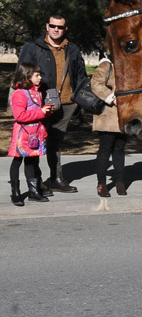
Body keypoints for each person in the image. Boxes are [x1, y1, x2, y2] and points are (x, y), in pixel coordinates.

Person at [17, 14, 90, 193]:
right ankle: (36, 183)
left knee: (55, 143)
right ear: (47, 26)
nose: (56, 29)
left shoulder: (72, 49)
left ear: (66, 29)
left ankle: (56, 179)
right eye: (53, 26)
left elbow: (80, 75)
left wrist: (79, 99)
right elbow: (22, 74)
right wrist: (28, 99)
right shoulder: (33, 47)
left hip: (66, 104)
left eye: (60, 27)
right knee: (35, 141)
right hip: (39, 104)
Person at [7, 64, 54, 205]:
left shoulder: (37, 93)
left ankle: (33, 191)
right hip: (23, 134)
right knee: (17, 161)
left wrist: (46, 112)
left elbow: (36, 113)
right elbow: (19, 116)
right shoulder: (19, 94)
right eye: (37, 75)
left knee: (32, 161)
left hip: (34, 133)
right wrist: (40, 112)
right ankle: (15, 192)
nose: (40, 78)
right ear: (27, 77)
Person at [91, 56, 128, 197]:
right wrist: (111, 98)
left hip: (124, 114)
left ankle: (120, 181)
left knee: (120, 149)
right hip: (108, 114)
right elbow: (96, 83)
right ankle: (102, 184)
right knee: (105, 149)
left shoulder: (127, 63)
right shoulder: (107, 64)